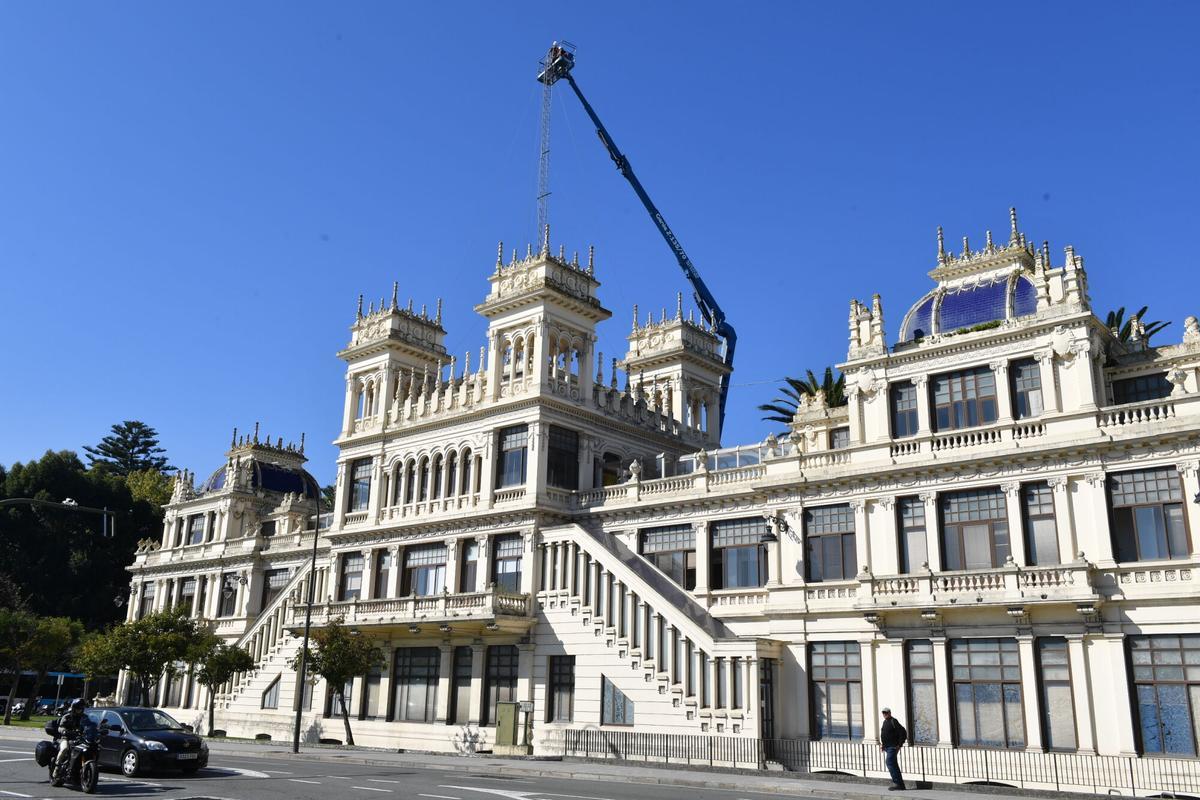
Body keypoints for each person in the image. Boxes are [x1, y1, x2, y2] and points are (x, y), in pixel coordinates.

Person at [54, 699, 87, 773]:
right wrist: (64, 731)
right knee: (64, 748)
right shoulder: (67, 716)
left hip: (80, 738)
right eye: (78, 708)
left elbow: (90, 725)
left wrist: (97, 729)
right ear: (74, 708)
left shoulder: (85, 717)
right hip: (66, 738)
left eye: (81, 708)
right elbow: (60, 727)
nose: (80, 710)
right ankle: (57, 768)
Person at [880, 706, 907, 791]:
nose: (884, 714)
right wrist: (883, 745)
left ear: (890, 713)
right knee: (894, 764)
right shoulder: (885, 722)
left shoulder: (893, 721)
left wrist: (899, 744)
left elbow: (903, 732)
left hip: (893, 747)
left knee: (889, 763)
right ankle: (900, 785)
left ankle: (897, 783)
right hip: (888, 747)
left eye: (886, 713)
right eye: (883, 713)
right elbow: (885, 734)